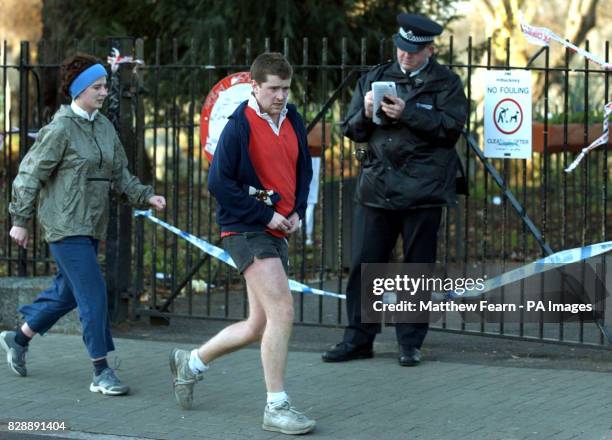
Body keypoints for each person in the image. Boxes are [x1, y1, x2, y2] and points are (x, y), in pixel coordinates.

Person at [2, 53, 166, 395]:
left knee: (66, 294)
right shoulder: (60, 129)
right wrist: (20, 220)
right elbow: (29, 175)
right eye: (97, 87)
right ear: (78, 90)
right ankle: (101, 371)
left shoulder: (104, 127)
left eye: (106, 86)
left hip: (92, 225)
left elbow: (120, 175)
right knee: (93, 293)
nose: (105, 92)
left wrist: (145, 196)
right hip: (63, 227)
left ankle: (18, 340)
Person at [168, 52, 315, 435]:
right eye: (273, 89)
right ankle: (276, 407)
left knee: (257, 324)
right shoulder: (239, 126)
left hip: (278, 228)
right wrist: (266, 215)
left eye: (285, 88)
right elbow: (219, 183)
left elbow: (303, 169)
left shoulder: (293, 117)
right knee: (283, 311)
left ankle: (191, 363)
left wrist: (297, 208)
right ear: (255, 86)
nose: (280, 96)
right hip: (246, 229)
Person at [322, 14, 468, 367]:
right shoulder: (374, 77)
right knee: (365, 266)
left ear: (430, 51)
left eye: (413, 52)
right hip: (377, 188)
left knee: (417, 269)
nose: (405, 57)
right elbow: (350, 129)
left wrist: (409, 112)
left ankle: (410, 343)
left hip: (423, 191)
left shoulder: (446, 83)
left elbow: (450, 129)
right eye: (401, 49)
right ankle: (358, 338)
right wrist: (366, 113)